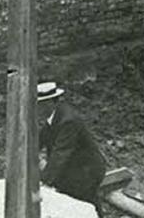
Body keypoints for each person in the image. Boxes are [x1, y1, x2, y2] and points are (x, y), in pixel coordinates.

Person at [37, 81, 107, 217]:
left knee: (83, 202)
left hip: (87, 170)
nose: (38, 109)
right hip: (74, 168)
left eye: (41, 104)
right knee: (86, 202)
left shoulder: (68, 121)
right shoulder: (53, 117)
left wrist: (45, 180)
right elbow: (40, 140)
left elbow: (60, 153)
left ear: (52, 102)